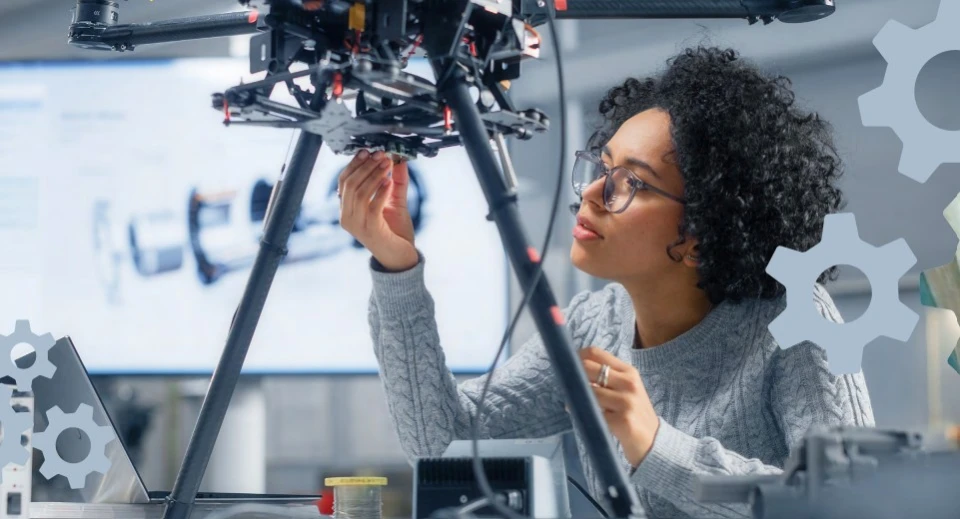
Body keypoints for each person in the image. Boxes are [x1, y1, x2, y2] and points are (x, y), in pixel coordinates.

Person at [336, 46, 873, 519]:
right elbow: (441, 441)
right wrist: (397, 269)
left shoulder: (799, 321)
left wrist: (656, 447)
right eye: (602, 166)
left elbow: (851, 504)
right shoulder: (596, 324)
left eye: (629, 183)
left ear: (701, 236)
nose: (592, 192)